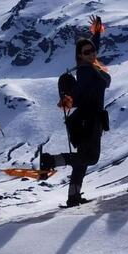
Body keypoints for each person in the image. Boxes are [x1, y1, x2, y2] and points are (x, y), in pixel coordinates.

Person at [39, 15, 109, 208]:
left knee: (82, 161)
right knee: (90, 158)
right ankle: (51, 160)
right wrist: (70, 98)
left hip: (86, 120)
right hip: (90, 119)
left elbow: (91, 49)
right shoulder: (87, 72)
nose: (92, 54)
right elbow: (78, 93)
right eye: (87, 52)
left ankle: (73, 196)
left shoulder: (87, 66)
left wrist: (96, 34)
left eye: (92, 51)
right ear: (80, 56)